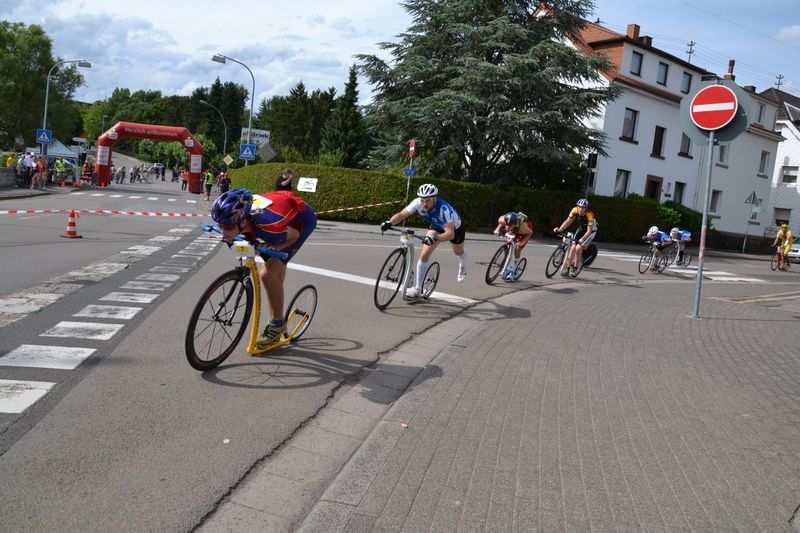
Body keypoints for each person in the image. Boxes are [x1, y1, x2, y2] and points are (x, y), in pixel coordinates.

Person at [211, 187, 317, 347]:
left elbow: (293, 236)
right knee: (273, 270)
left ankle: (277, 325)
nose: (222, 231)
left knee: (267, 275)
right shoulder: (236, 215)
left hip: (300, 223)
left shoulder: (270, 228)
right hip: (278, 210)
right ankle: (277, 290)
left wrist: (277, 248)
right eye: (219, 225)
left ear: (243, 221)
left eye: (227, 227)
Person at [380, 183, 468, 297]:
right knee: (425, 253)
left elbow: (450, 234)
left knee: (458, 252)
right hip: (436, 225)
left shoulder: (444, 209)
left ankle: (463, 265)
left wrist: (435, 238)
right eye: (422, 200)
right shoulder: (418, 203)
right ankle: (417, 289)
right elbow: (402, 214)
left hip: (454, 229)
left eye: (427, 201)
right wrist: (389, 222)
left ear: (434, 199)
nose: (424, 204)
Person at [553, 198, 598, 277]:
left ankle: (575, 268)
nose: (581, 209)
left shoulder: (589, 215)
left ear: (586, 208)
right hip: (582, 228)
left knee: (578, 248)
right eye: (579, 207)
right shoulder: (574, 210)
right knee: (573, 247)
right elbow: (568, 221)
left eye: (583, 208)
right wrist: (560, 229)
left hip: (591, 231)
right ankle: (567, 267)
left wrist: (582, 239)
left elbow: (589, 230)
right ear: (577, 206)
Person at [493, 211, 534, 279]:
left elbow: (530, 233)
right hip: (514, 229)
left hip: (525, 231)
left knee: (518, 248)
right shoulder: (502, 219)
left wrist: (523, 242)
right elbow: (501, 223)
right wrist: (497, 229)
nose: (507, 227)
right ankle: (508, 265)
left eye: (510, 225)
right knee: (509, 244)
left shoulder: (522, 228)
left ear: (515, 224)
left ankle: (514, 269)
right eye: (506, 224)